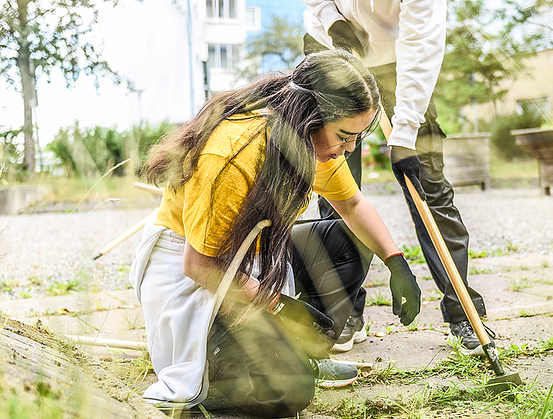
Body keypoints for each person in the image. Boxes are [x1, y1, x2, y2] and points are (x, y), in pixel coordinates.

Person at [129, 50, 421, 417]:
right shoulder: (235, 153)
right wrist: (278, 305)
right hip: (193, 273)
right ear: (311, 115)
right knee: (289, 392)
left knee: (348, 244)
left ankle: (295, 352)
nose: (349, 149)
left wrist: (396, 263)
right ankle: (218, 374)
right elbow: (200, 264)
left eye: (359, 137)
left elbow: (353, 206)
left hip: (251, 257)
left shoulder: (314, 145)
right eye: (345, 136)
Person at [301, 0, 493, 355]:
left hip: (401, 59)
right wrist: (331, 20)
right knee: (334, 186)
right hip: (333, 49)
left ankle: (463, 310)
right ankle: (343, 311)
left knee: (428, 185)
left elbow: (421, 44)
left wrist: (404, 137)